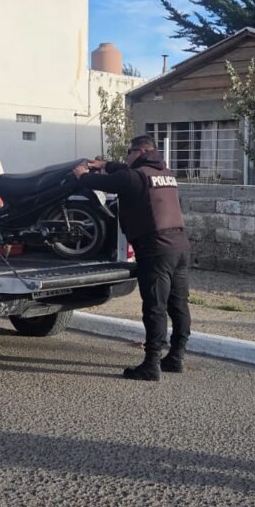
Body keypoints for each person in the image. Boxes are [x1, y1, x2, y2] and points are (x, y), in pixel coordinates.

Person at [73, 136, 191, 381]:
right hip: (180, 247)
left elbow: (106, 182)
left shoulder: (135, 177)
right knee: (178, 305)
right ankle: (177, 357)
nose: (126, 156)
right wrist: (104, 164)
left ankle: (151, 364)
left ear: (140, 151)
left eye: (129, 152)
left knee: (155, 307)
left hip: (155, 249)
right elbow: (124, 171)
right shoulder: (165, 173)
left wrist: (84, 174)